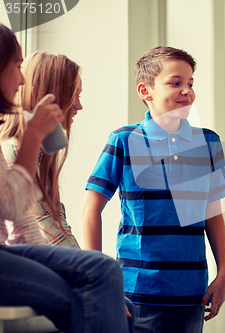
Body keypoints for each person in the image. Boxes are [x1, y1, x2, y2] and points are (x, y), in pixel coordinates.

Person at [81, 46, 225, 333]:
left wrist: (223, 271)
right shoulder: (124, 139)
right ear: (145, 91)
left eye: (190, 83)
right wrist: (97, 279)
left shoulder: (208, 143)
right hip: (135, 293)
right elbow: (91, 208)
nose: (186, 91)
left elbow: (213, 212)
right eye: (175, 83)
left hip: (192, 295)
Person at [0, 22, 131, 333]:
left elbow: (33, 225)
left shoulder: (38, 154)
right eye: (75, 95)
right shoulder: (15, 147)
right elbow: (17, 210)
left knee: (108, 286)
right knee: (104, 277)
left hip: (12, 251)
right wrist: (33, 137)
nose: (21, 79)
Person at [0, 52, 82, 248]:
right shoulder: (13, 150)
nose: (79, 105)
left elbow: (57, 223)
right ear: (46, 97)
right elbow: (42, 229)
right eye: (73, 96)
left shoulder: (42, 153)